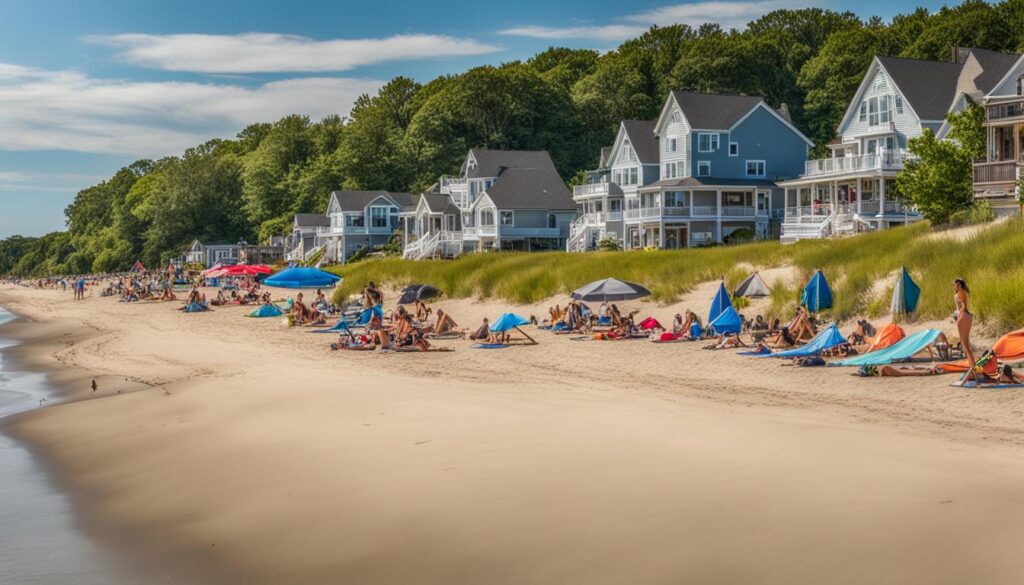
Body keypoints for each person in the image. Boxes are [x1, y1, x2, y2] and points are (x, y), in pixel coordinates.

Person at [953, 278, 976, 380]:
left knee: (965, 345)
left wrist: (959, 317)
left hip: (963, 317)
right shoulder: (962, 292)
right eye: (955, 285)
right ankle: (972, 368)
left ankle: (972, 370)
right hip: (965, 316)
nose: (956, 287)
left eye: (958, 285)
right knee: (966, 345)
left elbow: (964, 306)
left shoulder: (961, 293)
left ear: (961, 285)